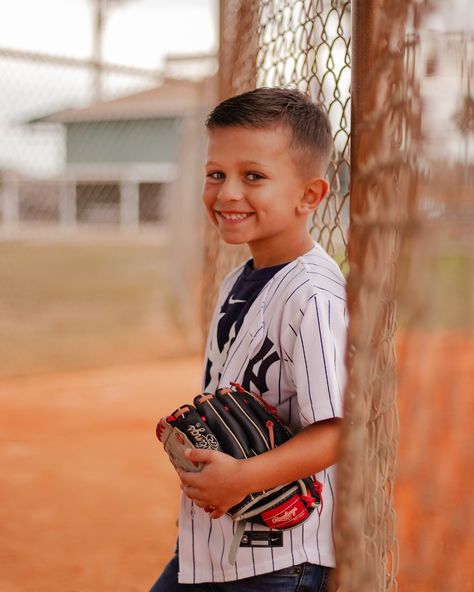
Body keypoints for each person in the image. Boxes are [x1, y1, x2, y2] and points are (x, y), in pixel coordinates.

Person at [150, 87, 347, 592]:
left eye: (253, 176)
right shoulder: (236, 279)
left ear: (311, 195)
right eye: (216, 174)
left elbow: (338, 429)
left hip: (282, 555)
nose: (227, 193)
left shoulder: (313, 296)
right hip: (220, 542)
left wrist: (240, 478)